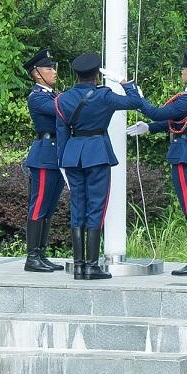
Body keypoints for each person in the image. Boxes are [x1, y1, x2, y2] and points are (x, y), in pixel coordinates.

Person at [51, 58, 147, 281]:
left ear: (76, 74)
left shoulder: (62, 99)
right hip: (97, 153)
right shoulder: (103, 95)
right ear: (97, 74)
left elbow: (62, 133)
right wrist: (123, 81)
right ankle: (92, 266)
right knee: (96, 207)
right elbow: (136, 102)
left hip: (73, 155)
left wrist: (64, 162)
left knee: (78, 207)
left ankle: (78, 266)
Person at [142, 55, 187, 273]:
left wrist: (135, 96)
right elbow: (178, 120)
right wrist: (149, 128)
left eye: (183, 70)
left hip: (185, 154)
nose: (181, 73)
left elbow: (158, 112)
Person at [17, 51, 66, 273]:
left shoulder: (53, 94)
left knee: (49, 207)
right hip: (44, 154)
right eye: (49, 69)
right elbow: (59, 111)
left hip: (56, 156)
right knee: (38, 206)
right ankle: (32, 257)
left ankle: (41, 254)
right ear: (37, 74)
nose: (54, 72)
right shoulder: (37, 97)